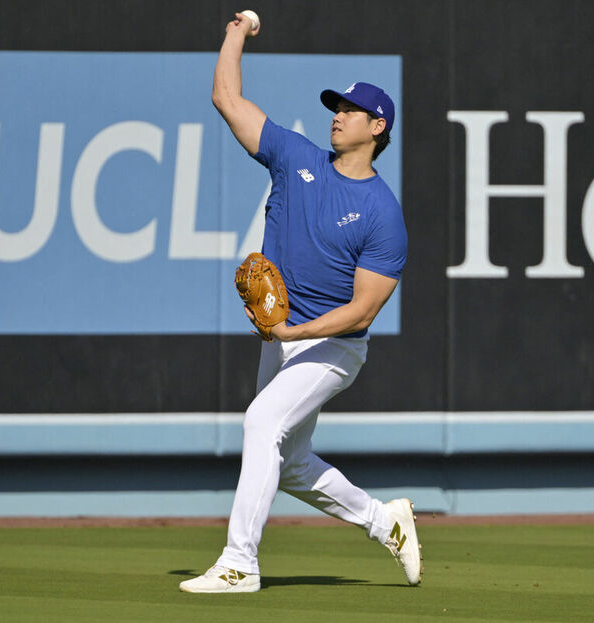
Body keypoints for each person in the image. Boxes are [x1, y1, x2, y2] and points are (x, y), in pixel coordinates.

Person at [179, 13, 420, 594]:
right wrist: (238, 31)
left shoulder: (383, 213)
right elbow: (226, 97)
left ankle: (240, 563)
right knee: (288, 462)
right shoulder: (296, 156)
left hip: (334, 346)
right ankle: (382, 520)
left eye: (350, 110)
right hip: (284, 335)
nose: (337, 115)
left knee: (261, 421)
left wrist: (292, 334)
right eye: (335, 107)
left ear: (377, 125)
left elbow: (363, 312)